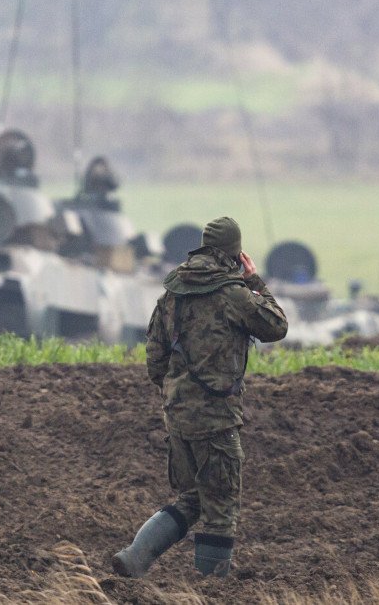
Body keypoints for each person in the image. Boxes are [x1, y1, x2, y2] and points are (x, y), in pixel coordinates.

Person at [111, 216, 288, 579]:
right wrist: (254, 280)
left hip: (177, 416)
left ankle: (134, 557)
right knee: (221, 509)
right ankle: (211, 589)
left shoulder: (171, 294)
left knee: (191, 499)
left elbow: (155, 362)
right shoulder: (234, 295)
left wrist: (179, 393)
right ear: (234, 253)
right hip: (217, 420)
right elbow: (277, 326)